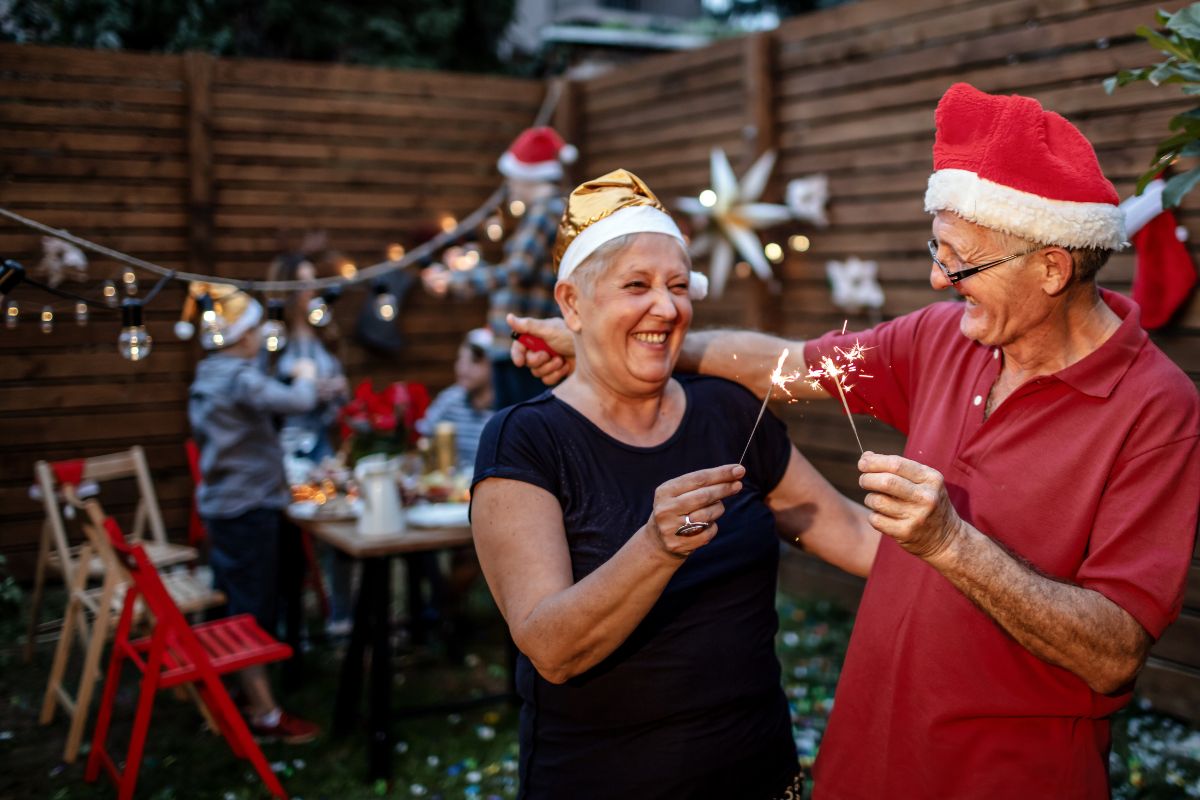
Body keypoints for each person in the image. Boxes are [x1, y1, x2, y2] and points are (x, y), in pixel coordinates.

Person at [509, 84, 1200, 798]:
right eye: (937, 249)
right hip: (866, 759)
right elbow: (785, 364)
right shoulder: (941, 340)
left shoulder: (1155, 411)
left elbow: (1114, 654)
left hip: (1007, 776)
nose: (937, 277)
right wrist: (627, 343)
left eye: (960, 262)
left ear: (1052, 269)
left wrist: (952, 545)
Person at [471, 169, 876, 799]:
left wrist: (966, 553)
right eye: (637, 285)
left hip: (757, 770)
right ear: (572, 303)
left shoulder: (729, 412)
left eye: (679, 287)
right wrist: (655, 549)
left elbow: (846, 529)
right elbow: (550, 647)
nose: (667, 307)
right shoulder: (526, 440)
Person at [187, 283, 321, 744]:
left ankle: (227, 688)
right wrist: (305, 374)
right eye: (257, 331)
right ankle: (263, 712)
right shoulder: (238, 377)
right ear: (244, 336)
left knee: (234, 596)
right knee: (252, 608)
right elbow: (299, 402)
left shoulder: (208, 374)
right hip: (248, 508)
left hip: (225, 506)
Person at [422, 126, 571, 409]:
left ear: (527, 176)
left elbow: (516, 271)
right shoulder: (552, 211)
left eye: (512, 180)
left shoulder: (545, 212)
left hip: (525, 348)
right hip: (522, 345)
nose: (510, 188)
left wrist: (456, 281)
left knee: (520, 428)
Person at [266, 251, 355, 637]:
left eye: (312, 281)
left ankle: (341, 615)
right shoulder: (273, 341)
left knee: (343, 517)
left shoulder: (322, 335)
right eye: (302, 283)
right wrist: (300, 388)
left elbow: (335, 409)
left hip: (320, 450)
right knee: (288, 537)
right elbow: (263, 397)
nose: (311, 290)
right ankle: (290, 625)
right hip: (282, 455)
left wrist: (338, 392)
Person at [415, 327, 495, 474]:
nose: (463, 368)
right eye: (460, 359)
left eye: (474, 361)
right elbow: (423, 436)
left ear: (493, 364)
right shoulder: (450, 400)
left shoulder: (507, 406)